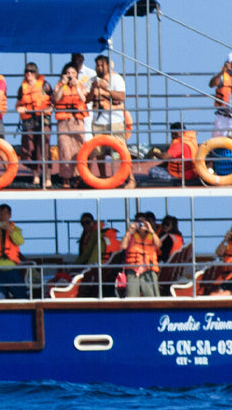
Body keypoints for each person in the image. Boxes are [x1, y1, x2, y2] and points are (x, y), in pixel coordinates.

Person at [89, 56, 135, 188]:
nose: (99, 68)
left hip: (115, 121)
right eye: (97, 65)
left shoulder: (117, 79)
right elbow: (87, 99)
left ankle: (131, 179)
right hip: (98, 121)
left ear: (108, 66)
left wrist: (105, 91)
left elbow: (121, 97)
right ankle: (103, 178)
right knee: (99, 152)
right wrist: (94, 89)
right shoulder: (93, 80)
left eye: (102, 65)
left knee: (122, 151)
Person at [15, 62, 53, 187]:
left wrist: (49, 108)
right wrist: (19, 109)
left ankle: (47, 177)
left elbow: (53, 101)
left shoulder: (45, 85)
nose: (29, 74)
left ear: (36, 73)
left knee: (43, 148)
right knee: (29, 148)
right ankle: (35, 175)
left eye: (31, 71)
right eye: (26, 71)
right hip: (28, 121)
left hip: (43, 120)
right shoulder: (22, 88)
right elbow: (18, 104)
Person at [52, 63, 88, 188]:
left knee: (78, 149)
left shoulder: (81, 86)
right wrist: (63, 85)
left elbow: (83, 99)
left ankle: (78, 176)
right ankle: (66, 177)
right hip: (64, 122)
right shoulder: (59, 86)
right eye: (68, 73)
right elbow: (57, 98)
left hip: (77, 121)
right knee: (64, 149)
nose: (70, 75)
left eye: (73, 73)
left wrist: (77, 86)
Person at [123, 213, 162, 298]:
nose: (141, 225)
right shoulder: (131, 236)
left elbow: (158, 244)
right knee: (131, 297)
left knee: (151, 297)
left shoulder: (151, 236)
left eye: (143, 222)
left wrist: (151, 230)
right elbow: (123, 246)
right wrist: (128, 231)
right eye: (138, 222)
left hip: (149, 270)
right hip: (133, 270)